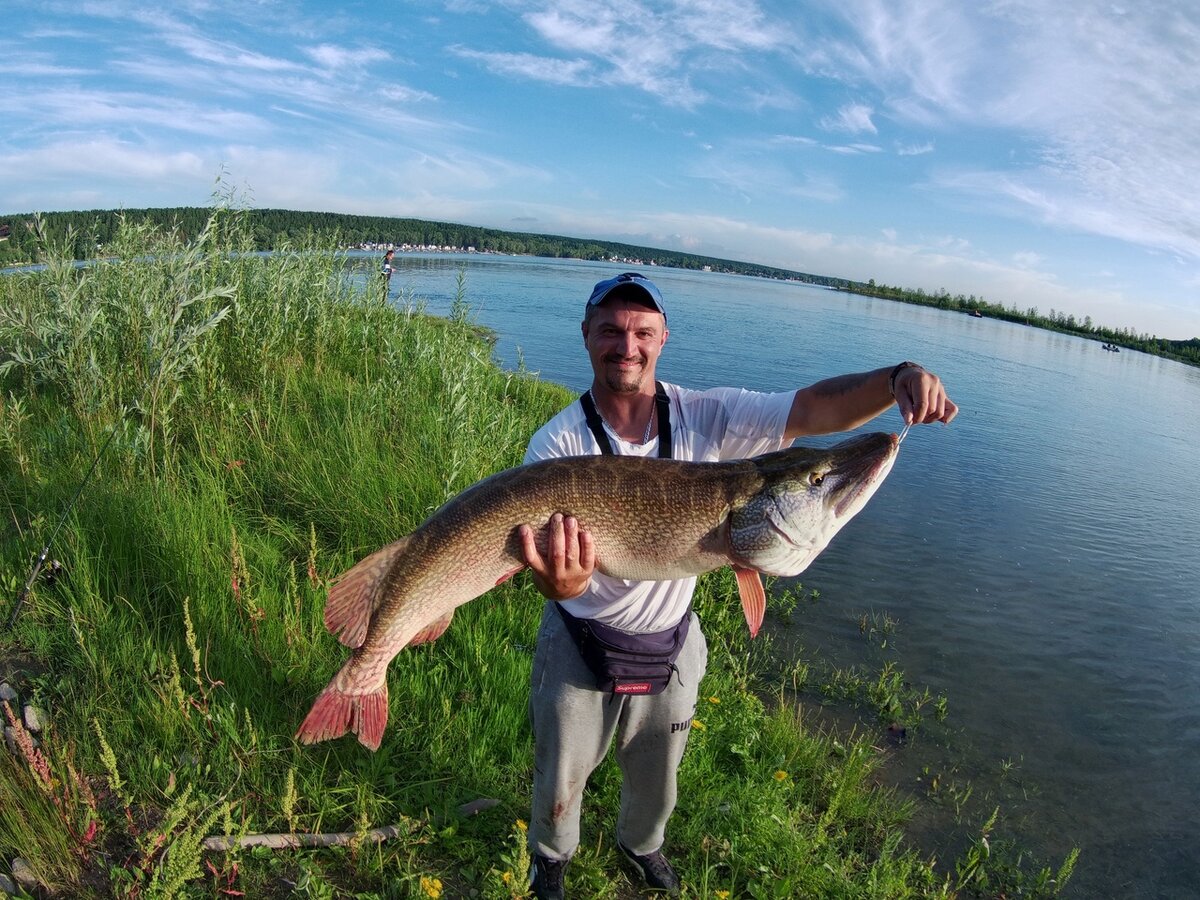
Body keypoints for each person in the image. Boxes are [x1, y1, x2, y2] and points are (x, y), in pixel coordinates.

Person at [517, 271, 957, 899]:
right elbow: (555, 580)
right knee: (560, 774)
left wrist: (897, 380)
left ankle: (641, 846)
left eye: (643, 331)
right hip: (579, 635)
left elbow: (810, 410)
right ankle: (551, 861)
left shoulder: (706, 415)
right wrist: (561, 584)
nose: (627, 345)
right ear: (587, 335)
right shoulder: (557, 443)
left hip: (669, 641)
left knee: (658, 773)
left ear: (663, 338)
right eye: (611, 330)